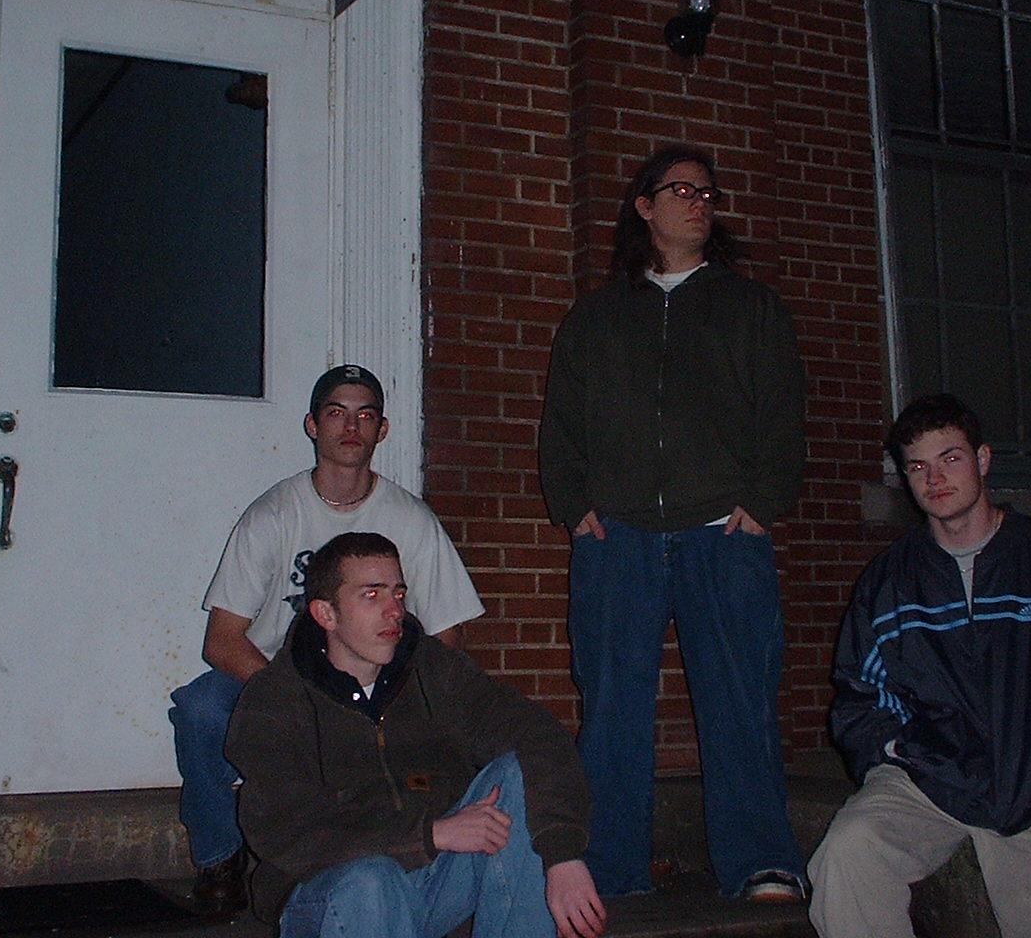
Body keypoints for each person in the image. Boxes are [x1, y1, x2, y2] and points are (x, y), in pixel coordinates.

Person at [537, 144, 810, 902]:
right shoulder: (596, 317)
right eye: (682, 190)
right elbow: (560, 426)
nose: (699, 203)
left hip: (723, 535)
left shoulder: (751, 308)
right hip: (616, 538)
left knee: (740, 703)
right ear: (645, 206)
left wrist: (764, 502)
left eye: (708, 193)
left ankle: (761, 862)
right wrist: (574, 506)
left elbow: (784, 414)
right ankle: (611, 871)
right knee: (611, 709)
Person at [808, 394, 1031, 938]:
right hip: (934, 782)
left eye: (950, 458)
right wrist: (904, 752)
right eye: (917, 466)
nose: (935, 478)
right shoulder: (890, 580)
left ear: (983, 459)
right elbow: (862, 696)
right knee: (848, 854)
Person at [168, 365, 484, 910]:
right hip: (279, 676)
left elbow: (448, 639)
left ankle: (405, 854)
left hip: (375, 682)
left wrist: (392, 693)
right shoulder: (273, 514)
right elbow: (221, 641)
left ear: (382, 429)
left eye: (365, 415)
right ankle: (219, 857)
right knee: (201, 709)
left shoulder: (411, 521)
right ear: (312, 425)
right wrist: (294, 694)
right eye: (337, 413)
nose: (351, 427)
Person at [226, 531, 607, 938]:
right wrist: (430, 834)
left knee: (515, 775)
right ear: (326, 614)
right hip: (329, 894)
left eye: (398, 593)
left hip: (433, 877)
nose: (394, 611)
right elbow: (285, 828)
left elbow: (536, 734)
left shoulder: (430, 667)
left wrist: (561, 855)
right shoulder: (276, 698)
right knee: (372, 880)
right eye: (372, 595)